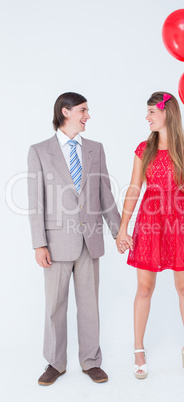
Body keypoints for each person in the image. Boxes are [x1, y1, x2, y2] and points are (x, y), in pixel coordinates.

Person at [27, 92, 121, 385]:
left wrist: (120, 232)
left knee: (90, 305)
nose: (88, 116)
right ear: (66, 112)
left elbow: (105, 194)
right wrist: (38, 243)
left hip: (90, 240)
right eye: (83, 110)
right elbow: (36, 202)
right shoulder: (40, 151)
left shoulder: (96, 149)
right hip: (55, 244)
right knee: (55, 305)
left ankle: (91, 361)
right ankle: (55, 363)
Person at [116, 92, 184, 379]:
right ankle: (138, 348)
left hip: (182, 220)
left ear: (166, 112)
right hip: (151, 220)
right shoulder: (143, 149)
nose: (147, 118)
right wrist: (123, 227)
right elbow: (134, 188)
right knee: (144, 288)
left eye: (151, 113)